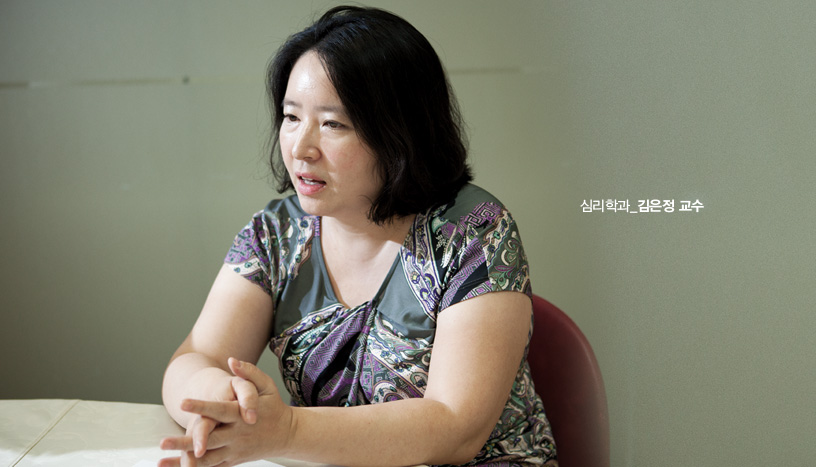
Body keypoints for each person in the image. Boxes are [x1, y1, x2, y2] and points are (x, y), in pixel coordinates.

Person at [159, 6, 557, 467]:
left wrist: (287, 430)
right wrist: (223, 401)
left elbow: (456, 426)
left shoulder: (473, 231)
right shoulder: (276, 235)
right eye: (291, 117)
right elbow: (195, 357)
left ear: (399, 132)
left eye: (333, 124)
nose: (301, 147)